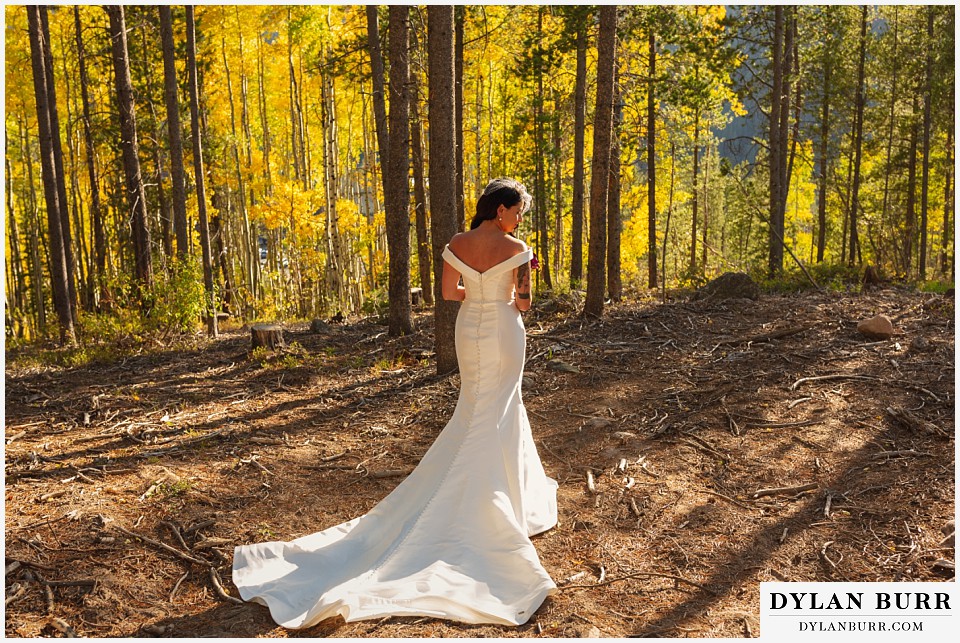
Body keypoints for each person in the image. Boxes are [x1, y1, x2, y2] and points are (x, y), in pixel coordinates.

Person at [232, 178, 558, 628]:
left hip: (469, 328)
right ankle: (497, 505)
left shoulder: (457, 242)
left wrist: (481, 291)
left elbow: (449, 294)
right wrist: (518, 279)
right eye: (518, 209)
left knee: (476, 406)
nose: (520, 218)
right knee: (501, 405)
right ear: (501, 210)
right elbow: (523, 304)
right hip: (504, 329)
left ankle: (499, 495)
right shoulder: (516, 245)